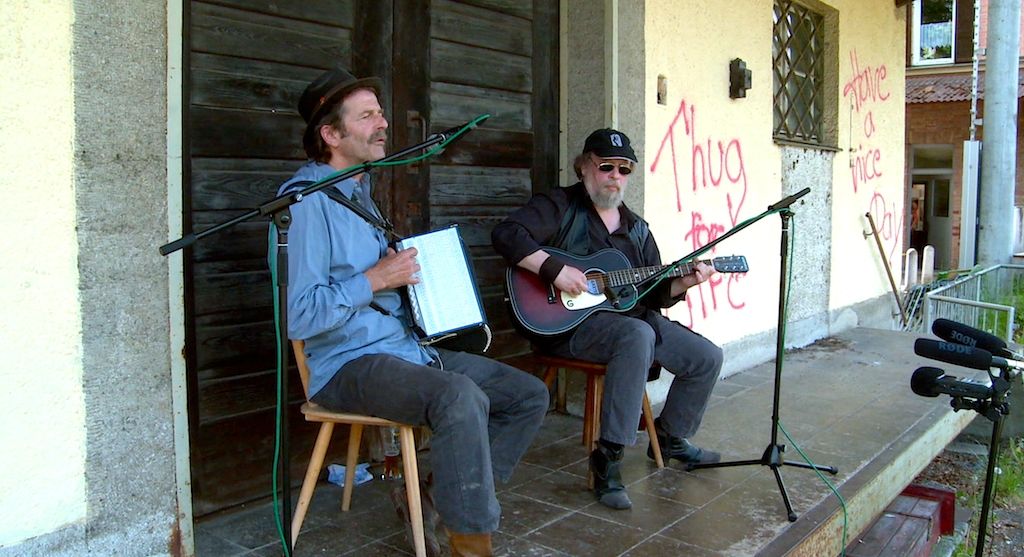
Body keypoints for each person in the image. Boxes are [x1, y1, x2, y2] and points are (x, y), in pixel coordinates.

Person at [280, 67, 549, 556]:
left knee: (527, 396)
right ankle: (471, 546)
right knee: (458, 398)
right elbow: (301, 316)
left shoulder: (359, 196)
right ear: (331, 134)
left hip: (406, 350)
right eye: (367, 116)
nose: (382, 123)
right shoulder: (306, 203)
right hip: (347, 364)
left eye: (380, 112)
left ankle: (431, 493)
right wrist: (378, 278)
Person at [492, 128, 723, 510]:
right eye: (606, 166)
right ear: (584, 167)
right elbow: (506, 234)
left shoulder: (637, 228)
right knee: (636, 336)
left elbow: (654, 291)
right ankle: (608, 458)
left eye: (624, 169)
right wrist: (553, 269)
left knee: (705, 357)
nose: (615, 176)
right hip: (569, 325)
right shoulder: (559, 206)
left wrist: (683, 282)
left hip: (633, 320)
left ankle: (669, 437)